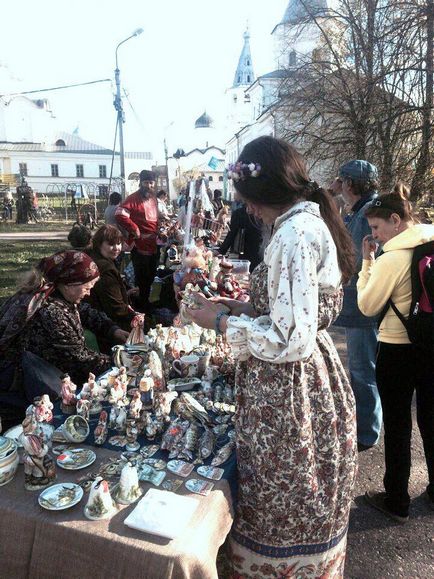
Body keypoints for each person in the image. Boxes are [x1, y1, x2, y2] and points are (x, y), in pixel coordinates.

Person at [187, 136, 357, 578]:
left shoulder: (295, 234)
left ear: (265, 194)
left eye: (249, 203)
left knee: (288, 491)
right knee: (287, 493)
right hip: (300, 379)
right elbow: (292, 312)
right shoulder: (300, 226)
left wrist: (221, 324)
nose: (249, 212)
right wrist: (238, 308)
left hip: (292, 389)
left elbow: (290, 339)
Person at [357, 192, 434, 522]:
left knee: (399, 424)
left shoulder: (391, 257)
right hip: (431, 344)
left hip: (397, 348)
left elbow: (367, 306)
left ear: (396, 220)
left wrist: (366, 264)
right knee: (432, 420)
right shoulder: (430, 239)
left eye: (376, 227)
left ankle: (396, 500)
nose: (374, 235)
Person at [0, 250, 128, 428]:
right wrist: (122, 361)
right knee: (36, 431)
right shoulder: (51, 312)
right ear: (69, 285)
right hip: (25, 384)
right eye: (86, 288)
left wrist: (112, 329)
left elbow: (85, 311)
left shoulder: (54, 293)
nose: (89, 293)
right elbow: (78, 358)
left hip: (38, 373)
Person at [334, 159, 382, 451]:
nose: (338, 186)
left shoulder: (367, 213)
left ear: (350, 184)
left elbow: (358, 259)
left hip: (364, 305)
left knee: (363, 370)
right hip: (360, 302)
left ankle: (366, 433)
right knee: (361, 369)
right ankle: (365, 426)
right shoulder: (362, 210)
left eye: (341, 181)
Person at [115, 170, 159, 313]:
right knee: (142, 277)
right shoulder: (133, 198)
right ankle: (141, 306)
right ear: (141, 183)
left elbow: (155, 219)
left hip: (154, 243)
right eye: (146, 182)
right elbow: (119, 213)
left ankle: (145, 301)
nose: (149, 185)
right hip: (140, 244)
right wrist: (134, 228)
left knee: (151, 275)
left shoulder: (153, 199)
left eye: (151, 183)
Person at [86, 225, 137, 338]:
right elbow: (116, 309)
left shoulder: (97, 258)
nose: (116, 248)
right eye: (111, 244)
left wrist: (125, 292)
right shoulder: (104, 268)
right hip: (110, 326)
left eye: (119, 243)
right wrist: (138, 318)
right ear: (99, 244)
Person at [219, 196, 263, 272]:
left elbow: (231, 234)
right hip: (260, 250)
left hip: (246, 250)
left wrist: (221, 251)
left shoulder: (239, 213)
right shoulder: (263, 212)